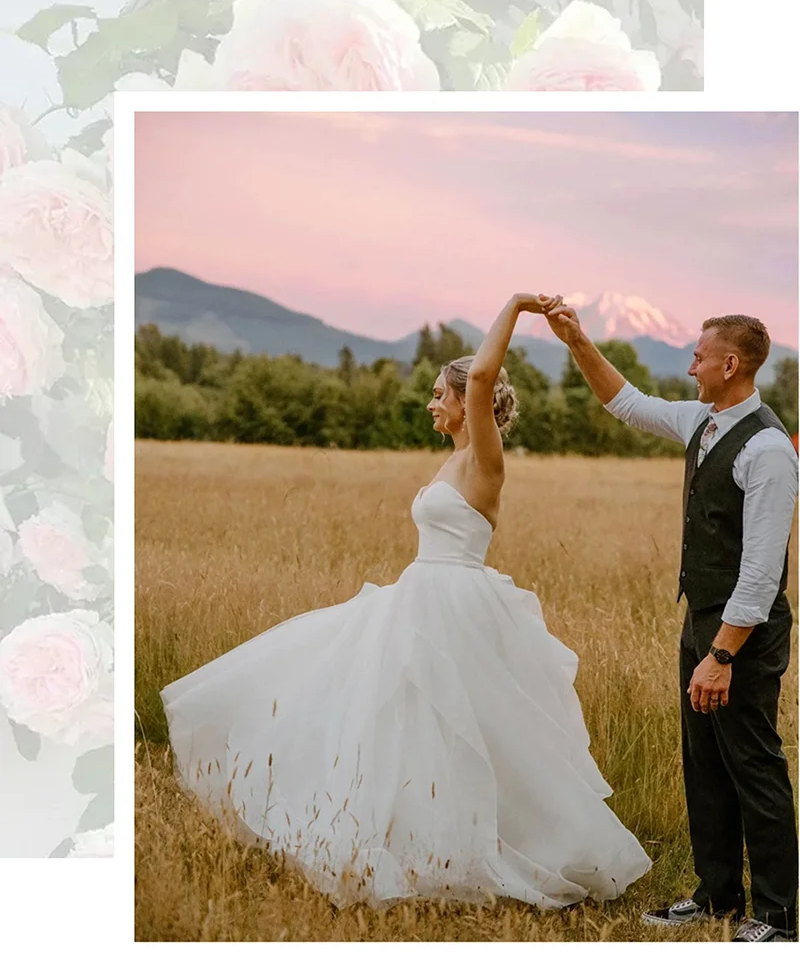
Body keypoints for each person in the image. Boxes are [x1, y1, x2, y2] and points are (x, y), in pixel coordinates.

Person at [161, 293, 651, 910]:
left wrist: (517, 305)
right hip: (417, 596)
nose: (431, 403)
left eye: (439, 395)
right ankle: (414, 836)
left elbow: (478, 374)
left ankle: (492, 845)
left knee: (470, 727)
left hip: (457, 604)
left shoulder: (483, 458)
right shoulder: (450, 463)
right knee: (402, 721)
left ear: (470, 404)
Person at [533, 299, 798, 943]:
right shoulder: (701, 421)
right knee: (704, 763)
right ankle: (715, 897)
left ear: (730, 364)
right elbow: (624, 401)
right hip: (701, 623)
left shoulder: (767, 449)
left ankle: (777, 917)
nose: (689, 367)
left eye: (699, 357)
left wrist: (723, 654)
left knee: (753, 766)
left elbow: (762, 573)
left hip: (744, 636)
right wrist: (576, 341)